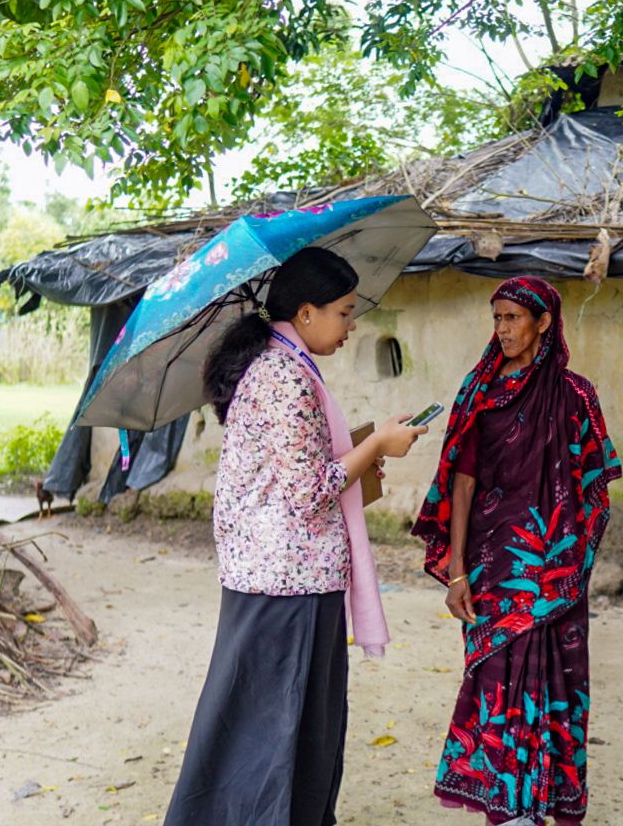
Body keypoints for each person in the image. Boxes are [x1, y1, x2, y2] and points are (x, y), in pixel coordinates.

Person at [164, 246, 425, 826]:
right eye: (344, 312)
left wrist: (363, 453)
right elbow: (311, 490)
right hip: (290, 581)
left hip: (275, 575)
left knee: (270, 720)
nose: (352, 326)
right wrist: (376, 445)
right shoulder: (284, 375)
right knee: (285, 725)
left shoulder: (284, 363)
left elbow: (300, 472)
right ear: (306, 313)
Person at [413, 276, 623, 826]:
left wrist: (571, 556)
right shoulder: (479, 390)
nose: (502, 329)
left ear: (543, 322)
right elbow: (461, 481)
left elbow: (593, 488)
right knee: (498, 679)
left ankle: (546, 798)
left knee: (554, 679)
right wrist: (457, 570)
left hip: (554, 569)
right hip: (492, 564)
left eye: (512, 318)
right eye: (497, 318)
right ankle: (507, 807)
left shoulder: (576, 394)